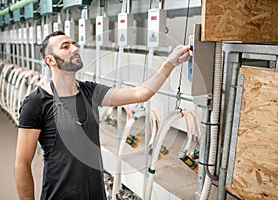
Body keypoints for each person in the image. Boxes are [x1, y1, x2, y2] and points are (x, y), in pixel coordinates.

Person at [14, 31, 190, 200]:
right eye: (65, 46)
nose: (75, 48)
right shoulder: (37, 102)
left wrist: (170, 63)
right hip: (59, 194)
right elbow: (22, 163)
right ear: (50, 60)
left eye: (74, 44)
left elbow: (139, 94)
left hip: (95, 193)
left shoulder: (90, 91)